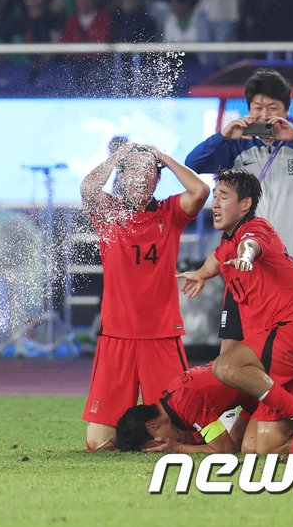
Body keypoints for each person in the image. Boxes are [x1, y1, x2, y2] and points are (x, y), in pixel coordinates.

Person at [185, 70, 293, 349]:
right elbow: (193, 163)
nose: (264, 115)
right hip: (244, 266)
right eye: (257, 108)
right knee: (231, 356)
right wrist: (222, 137)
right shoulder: (235, 147)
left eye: (273, 108)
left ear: (286, 110)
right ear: (248, 110)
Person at [177, 169, 293, 455]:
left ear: (245, 204)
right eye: (215, 197)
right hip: (289, 348)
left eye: (224, 197)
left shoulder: (255, 230)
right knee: (256, 448)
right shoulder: (228, 243)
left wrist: (247, 257)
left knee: (227, 366)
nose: (216, 204)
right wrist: (201, 274)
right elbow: (216, 259)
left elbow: (252, 246)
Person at [80, 142, 208, 451]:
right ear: (121, 177)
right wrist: (117, 156)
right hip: (116, 335)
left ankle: (155, 439)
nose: (141, 176)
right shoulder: (109, 214)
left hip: (161, 335)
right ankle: (140, 439)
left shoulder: (169, 213)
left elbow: (201, 191)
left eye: (149, 170)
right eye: (133, 169)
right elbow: (87, 189)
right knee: (97, 444)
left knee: (184, 433)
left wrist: (163, 157)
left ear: (158, 178)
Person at [114, 363, 293, 455]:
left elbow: (224, 451)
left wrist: (177, 448)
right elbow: (227, 444)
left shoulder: (186, 404)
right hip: (260, 394)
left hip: (283, 386)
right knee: (245, 445)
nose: (163, 445)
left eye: (156, 444)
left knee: (258, 447)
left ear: (153, 426)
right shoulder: (175, 397)